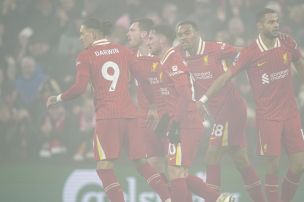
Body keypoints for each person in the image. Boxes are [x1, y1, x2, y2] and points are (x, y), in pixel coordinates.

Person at [197, 8, 304, 202]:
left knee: (300, 165)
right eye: (270, 22)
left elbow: (300, 64)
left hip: (290, 113)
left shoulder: (287, 42)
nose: (276, 25)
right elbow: (226, 76)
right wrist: (203, 99)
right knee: (272, 166)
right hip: (268, 116)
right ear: (260, 26)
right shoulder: (250, 52)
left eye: (277, 21)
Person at [46, 18, 170, 202]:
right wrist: (152, 106)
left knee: (104, 167)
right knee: (142, 163)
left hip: (107, 117)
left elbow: (80, 88)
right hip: (130, 115)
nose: (80, 38)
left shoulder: (86, 55)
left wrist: (57, 98)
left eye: (82, 33)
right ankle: (168, 198)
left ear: (93, 34)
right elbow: (144, 79)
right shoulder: (124, 51)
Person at [176, 20, 265, 202]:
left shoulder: (216, 48)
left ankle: (215, 199)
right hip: (217, 112)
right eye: (180, 34)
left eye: (187, 33)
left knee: (211, 156)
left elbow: (247, 52)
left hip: (230, 108)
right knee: (240, 159)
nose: (184, 37)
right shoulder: (179, 54)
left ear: (198, 33)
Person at [147, 24, 234, 202]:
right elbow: (171, 98)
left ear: (162, 39)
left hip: (186, 123)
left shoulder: (173, 59)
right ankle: (219, 199)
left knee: (175, 171)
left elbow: (185, 94)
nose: (148, 42)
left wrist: (176, 123)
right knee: (178, 172)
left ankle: (218, 198)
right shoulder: (163, 61)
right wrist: (165, 121)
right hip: (179, 121)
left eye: (151, 38)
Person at [127, 18, 172, 201]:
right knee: (153, 165)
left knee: (175, 167)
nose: (128, 33)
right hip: (145, 119)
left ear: (145, 34)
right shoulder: (130, 58)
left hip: (169, 117)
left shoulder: (163, 54)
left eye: (132, 29)